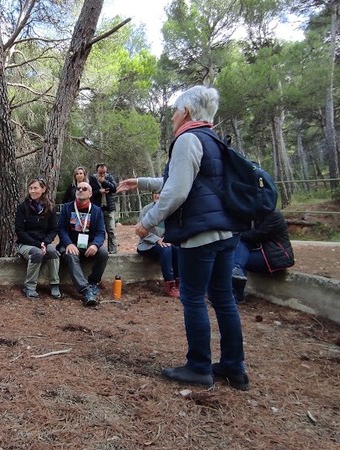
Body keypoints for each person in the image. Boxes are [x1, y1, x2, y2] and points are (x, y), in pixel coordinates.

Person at [118, 85, 250, 391]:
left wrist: (146, 223)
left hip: (199, 236)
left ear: (186, 112)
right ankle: (234, 367)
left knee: (192, 297)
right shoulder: (212, 139)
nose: (173, 116)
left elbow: (176, 191)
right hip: (225, 232)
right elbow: (186, 178)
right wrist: (141, 182)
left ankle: (199, 367)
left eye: (175, 110)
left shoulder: (187, 138)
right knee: (223, 298)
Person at [57, 181, 108, 306]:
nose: (80, 190)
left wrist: (95, 244)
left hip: (88, 245)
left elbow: (101, 232)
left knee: (103, 252)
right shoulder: (67, 208)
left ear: (90, 194)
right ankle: (86, 291)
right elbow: (61, 229)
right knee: (70, 254)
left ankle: (93, 282)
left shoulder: (96, 211)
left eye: (84, 188)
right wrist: (68, 243)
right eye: (78, 188)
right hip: (70, 244)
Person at [232, 209, 294, 303]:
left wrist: (237, 234)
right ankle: (237, 276)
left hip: (277, 257)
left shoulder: (273, 215)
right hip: (263, 252)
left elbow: (256, 235)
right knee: (236, 254)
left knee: (235, 259)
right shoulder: (257, 213)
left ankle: (237, 294)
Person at [15, 178, 61, 299]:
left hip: (44, 242)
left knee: (53, 252)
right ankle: (29, 286)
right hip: (26, 244)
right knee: (37, 253)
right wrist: (37, 244)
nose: (32, 191)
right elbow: (19, 230)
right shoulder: (22, 207)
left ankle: (54, 284)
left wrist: (45, 243)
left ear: (43, 189)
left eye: (35, 188)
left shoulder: (50, 207)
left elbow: (53, 229)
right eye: (30, 188)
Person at [137, 192, 180, 298]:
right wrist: (157, 240)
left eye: (160, 193)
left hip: (166, 242)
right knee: (166, 249)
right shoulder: (146, 210)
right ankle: (169, 284)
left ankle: (179, 282)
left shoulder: (171, 211)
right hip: (147, 244)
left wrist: (168, 239)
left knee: (176, 249)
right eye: (155, 193)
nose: (157, 196)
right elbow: (141, 231)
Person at [89, 163, 118, 254]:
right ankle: (95, 249)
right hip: (97, 208)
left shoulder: (109, 177)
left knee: (111, 230)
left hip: (108, 208)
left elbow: (114, 188)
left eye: (104, 172)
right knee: (95, 230)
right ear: (96, 171)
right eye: (100, 173)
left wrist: (103, 181)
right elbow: (89, 193)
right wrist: (99, 191)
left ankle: (112, 250)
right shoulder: (91, 179)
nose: (102, 174)